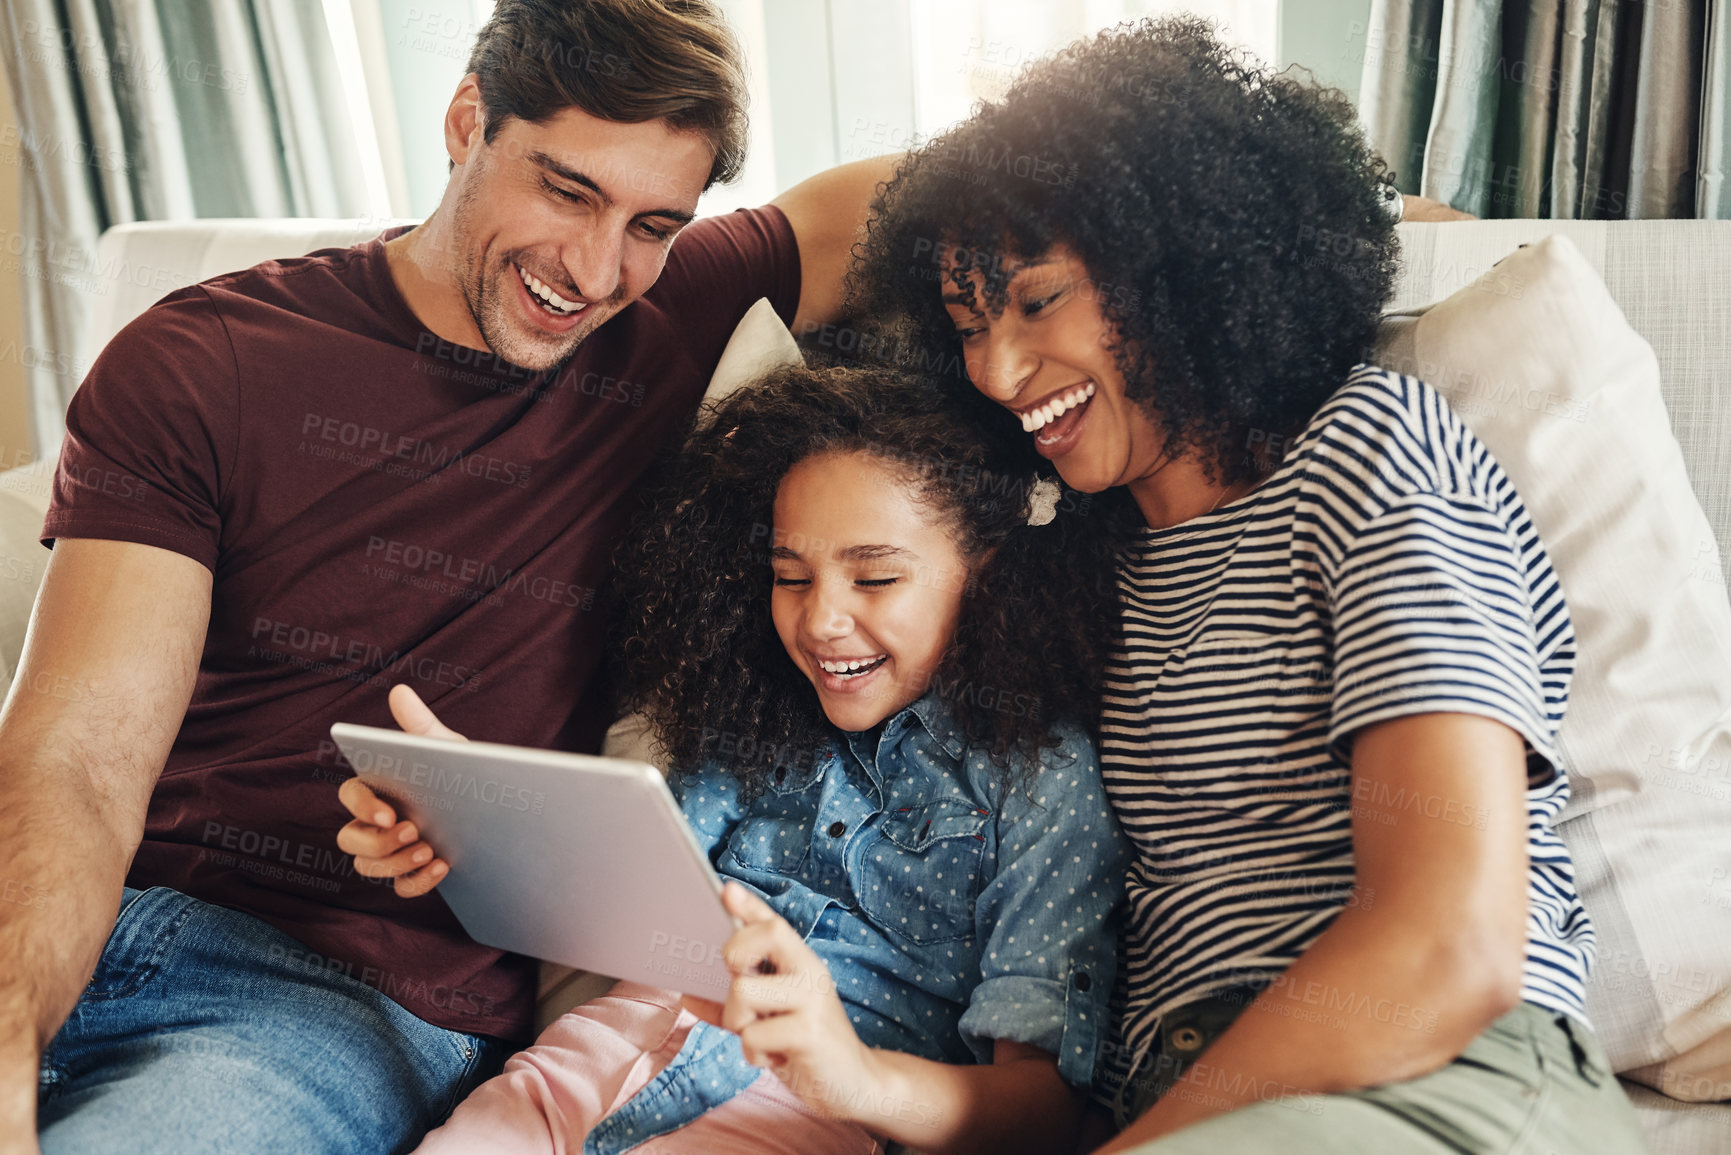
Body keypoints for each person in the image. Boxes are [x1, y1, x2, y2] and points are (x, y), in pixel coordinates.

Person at [0, 3, 898, 1152]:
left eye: (653, 223)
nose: (595, 269)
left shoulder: (670, 314)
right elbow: (74, 764)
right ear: (467, 117)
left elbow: (954, 186)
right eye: (566, 191)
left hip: (321, 1006)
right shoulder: (204, 361)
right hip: (84, 916)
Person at [849, 17, 1650, 1154]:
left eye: (1035, 302)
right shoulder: (1074, 564)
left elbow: (1448, 944)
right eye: (968, 326)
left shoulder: (1368, 451)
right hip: (1182, 1096)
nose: (996, 370)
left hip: (1436, 1073)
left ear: (1181, 265)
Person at [334, 365, 1131, 1155]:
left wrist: (849, 1073)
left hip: (807, 1113)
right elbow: (622, 899)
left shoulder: (1041, 778)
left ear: (984, 570)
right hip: (583, 1064)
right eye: (789, 576)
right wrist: (472, 825)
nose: (820, 619)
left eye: (875, 576)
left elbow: (1046, 1112)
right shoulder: (750, 722)